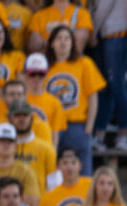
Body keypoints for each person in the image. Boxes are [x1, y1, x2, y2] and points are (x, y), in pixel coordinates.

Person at [41, 25, 100, 173]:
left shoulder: (84, 63)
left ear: (73, 43)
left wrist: (89, 127)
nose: (63, 42)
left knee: (83, 172)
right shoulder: (44, 67)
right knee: (52, 170)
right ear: (52, 43)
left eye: (67, 38)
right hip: (50, 126)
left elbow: (93, 97)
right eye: (59, 38)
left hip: (77, 124)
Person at [89, 0, 127, 157]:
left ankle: (124, 135)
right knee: (104, 89)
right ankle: (99, 136)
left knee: (117, 86)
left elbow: (104, 5)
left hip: (117, 32)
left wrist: (92, 31)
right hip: (105, 34)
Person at [4, 100, 55, 193]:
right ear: (10, 119)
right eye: (17, 115)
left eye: (25, 115)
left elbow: (55, 185)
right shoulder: (1, 148)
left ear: (31, 118)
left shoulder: (46, 149)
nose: (21, 119)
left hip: (37, 203)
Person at [18, 54, 64, 148]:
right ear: (25, 74)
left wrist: (52, 156)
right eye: (32, 74)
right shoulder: (15, 99)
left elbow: (55, 136)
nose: (36, 78)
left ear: (46, 74)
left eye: (41, 74)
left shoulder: (54, 102)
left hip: (43, 150)